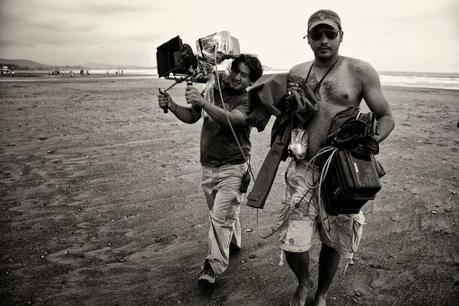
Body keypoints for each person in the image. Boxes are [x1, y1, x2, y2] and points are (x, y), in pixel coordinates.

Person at [279, 9, 395, 306]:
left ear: (341, 36)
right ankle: (303, 282)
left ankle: (322, 294)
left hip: (341, 173)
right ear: (308, 39)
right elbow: (285, 117)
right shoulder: (297, 72)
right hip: (303, 167)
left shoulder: (360, 71)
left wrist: (369, 141)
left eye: (330, 33)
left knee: (334, 238)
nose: (323, 40)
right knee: (295, 241)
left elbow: (386, 117)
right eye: (316, 34)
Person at [157, 54, 263, 285]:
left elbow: (234, 120)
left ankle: (212, 267)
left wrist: (204, 102)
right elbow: (193, 115)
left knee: (218, 218)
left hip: (234, 167)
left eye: (244, 75)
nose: (236, 77)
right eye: (235, 71)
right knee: (223, 214)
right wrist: (173, 105)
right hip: (208, 165)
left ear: (251, 81)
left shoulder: (249, 99)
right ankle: (234, 242)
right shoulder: (214, 88)